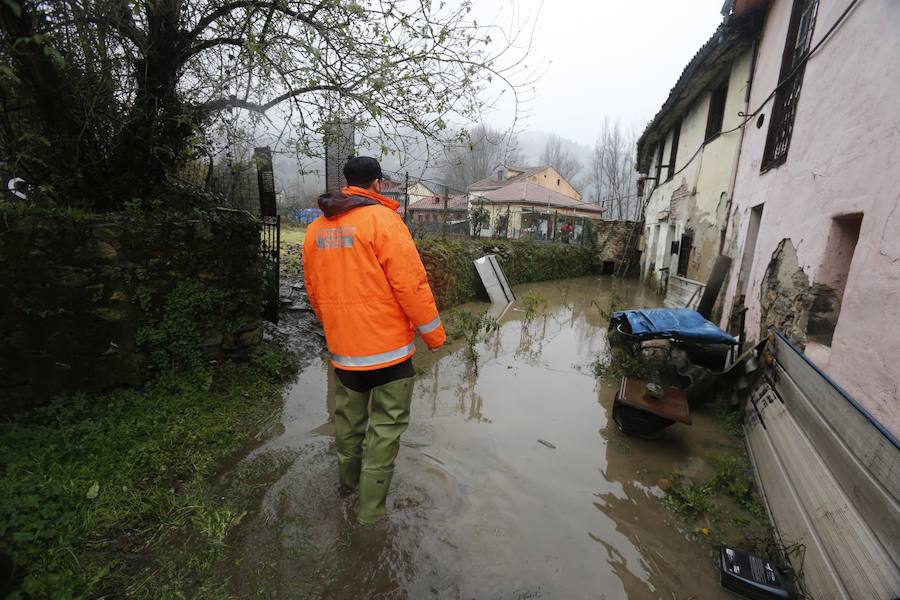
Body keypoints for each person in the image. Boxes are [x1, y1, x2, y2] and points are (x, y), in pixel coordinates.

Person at [303, 156, 446, 524]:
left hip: (344, 354)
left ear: (346, 181)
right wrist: (434, 335)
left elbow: (315, 291)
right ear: (378, 184)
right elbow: (410, 285)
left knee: (348, 425)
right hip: (390, 357)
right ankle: (369, 517)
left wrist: (334, 327)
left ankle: (346, 490)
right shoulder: (385, 221)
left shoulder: (316, 228)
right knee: (384, 433)